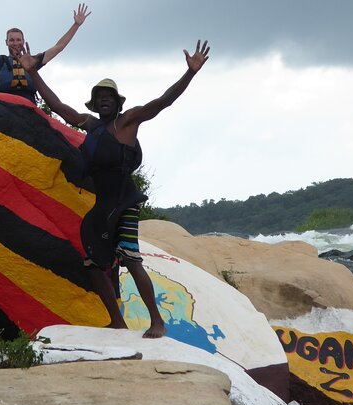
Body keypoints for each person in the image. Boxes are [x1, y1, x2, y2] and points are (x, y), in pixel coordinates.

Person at [19, 40, 210, 338]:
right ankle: (118, 322)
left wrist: (190, 74)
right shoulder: (90, 125)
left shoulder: (129, 121)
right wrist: (33, 73)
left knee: (131, 257)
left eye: (109, 96)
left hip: (126, 202)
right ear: (95, 105)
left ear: (117, 102)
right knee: (93, 264)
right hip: (104, 205)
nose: (105, 100)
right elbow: (56, 105)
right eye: (100, 97)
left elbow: (163, 102)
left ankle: (157, 322)